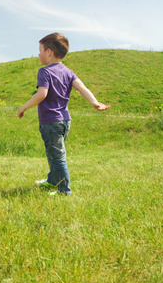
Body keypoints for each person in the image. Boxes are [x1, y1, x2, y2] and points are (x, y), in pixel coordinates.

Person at [17, 33, 109, 194]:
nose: (38, 54)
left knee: (58, 157)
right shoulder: (68, 72)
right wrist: (95, 102)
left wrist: (23, 107)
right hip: (65, 121)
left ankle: (64, 191)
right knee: (53, 153)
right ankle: (53, 180)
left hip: (50, 122)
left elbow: (41, 94)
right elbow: (82, 87)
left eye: (40, 50)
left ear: (49, 52)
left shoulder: (45, 72)